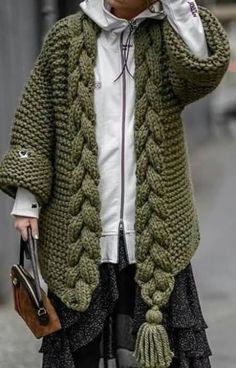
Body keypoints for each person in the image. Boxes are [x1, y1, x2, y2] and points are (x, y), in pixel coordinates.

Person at [0, 0, 230, 367]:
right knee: (84, 352)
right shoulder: (66, 38)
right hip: (80, 231)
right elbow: (36, 120)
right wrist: (27, 201)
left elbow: (202, 72)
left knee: (160, 352)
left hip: (156, 231)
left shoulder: (167, 36)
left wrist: (180, 9)